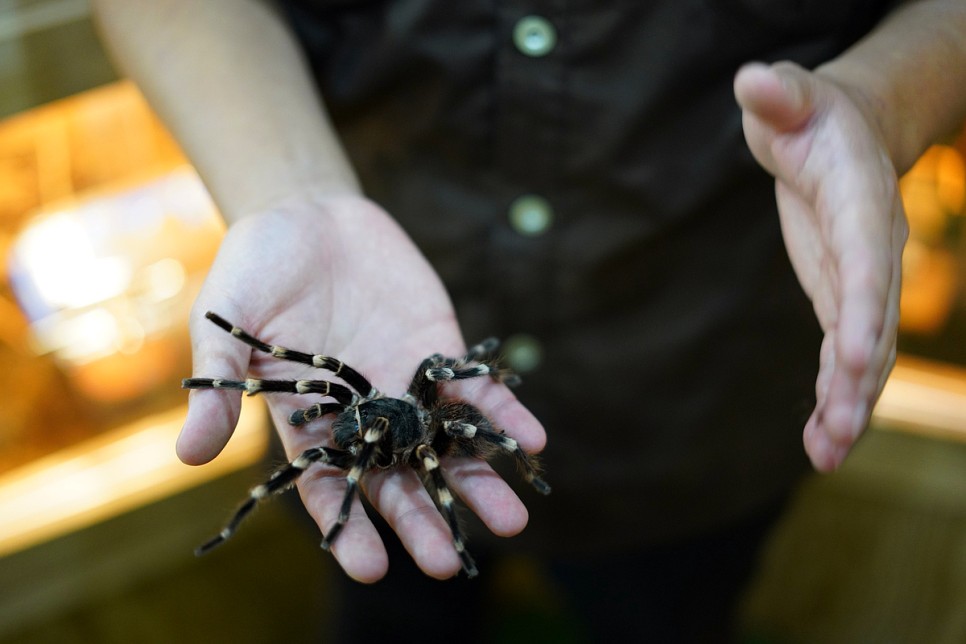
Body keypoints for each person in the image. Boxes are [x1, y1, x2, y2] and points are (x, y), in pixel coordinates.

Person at [92, 0, 966, 641]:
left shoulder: (426, 413)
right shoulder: (364, 404)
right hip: (387, 300)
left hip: (699, 404)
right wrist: (290, 197)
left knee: (672, 612)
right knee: (390, 595)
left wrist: (880, 99)